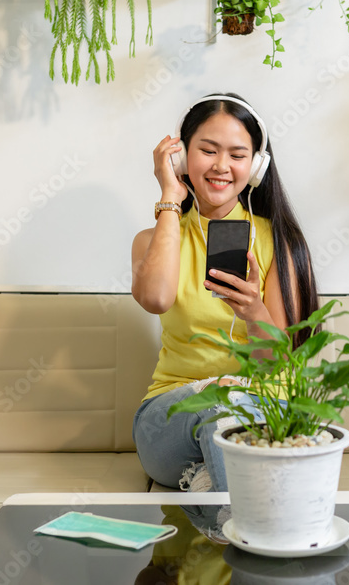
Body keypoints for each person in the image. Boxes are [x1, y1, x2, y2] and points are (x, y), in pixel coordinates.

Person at [130, 93, 319, 523]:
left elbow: (275, 363)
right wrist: (169, 198)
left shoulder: (281, 243)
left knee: (232, 411)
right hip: (170, 419)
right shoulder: (155, 238)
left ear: (255, 166)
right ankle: (259, 532)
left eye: (237, 154)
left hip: (265, 419)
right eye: (207, 150)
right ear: (181, 158)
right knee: (222, 403)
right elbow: (156, 298)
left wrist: (253, 311)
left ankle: (217, 509)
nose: (220, 166)